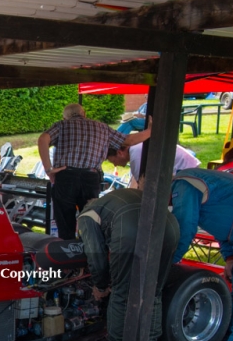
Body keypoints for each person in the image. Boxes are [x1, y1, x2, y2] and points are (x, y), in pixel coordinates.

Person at [77, 188, 179, 341]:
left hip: (130, 228)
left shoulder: (87, 215)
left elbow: (96, 255)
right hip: (170, 226)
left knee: (120, 294)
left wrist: (100, 286)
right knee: (153, 293)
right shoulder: (116, 197)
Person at [171, 168, 233, 341]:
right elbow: (222, 224)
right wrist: (230, 256)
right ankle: (232, 337)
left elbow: (185, 229)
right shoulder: (195, 182)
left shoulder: (183, 184)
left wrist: (170, 262)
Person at [38, 103, 151, 240]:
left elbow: (43, 139)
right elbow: (129, 140)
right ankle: (90, 255)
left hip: (66, 176)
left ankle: (67, 255)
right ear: (84, 113)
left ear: (65, 117)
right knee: (90, 220)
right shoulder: (102, 127)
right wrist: (150, 131)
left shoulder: (61, 125)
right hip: (91, 178)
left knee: (65, 222)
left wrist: (49, 169)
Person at [107, 143, 200, 188]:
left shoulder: (135, 153)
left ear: (119, 153)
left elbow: (142, 187)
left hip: (185, 173)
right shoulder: (136, 149)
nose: (115, 164)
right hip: (185, 170)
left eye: (113, 161)